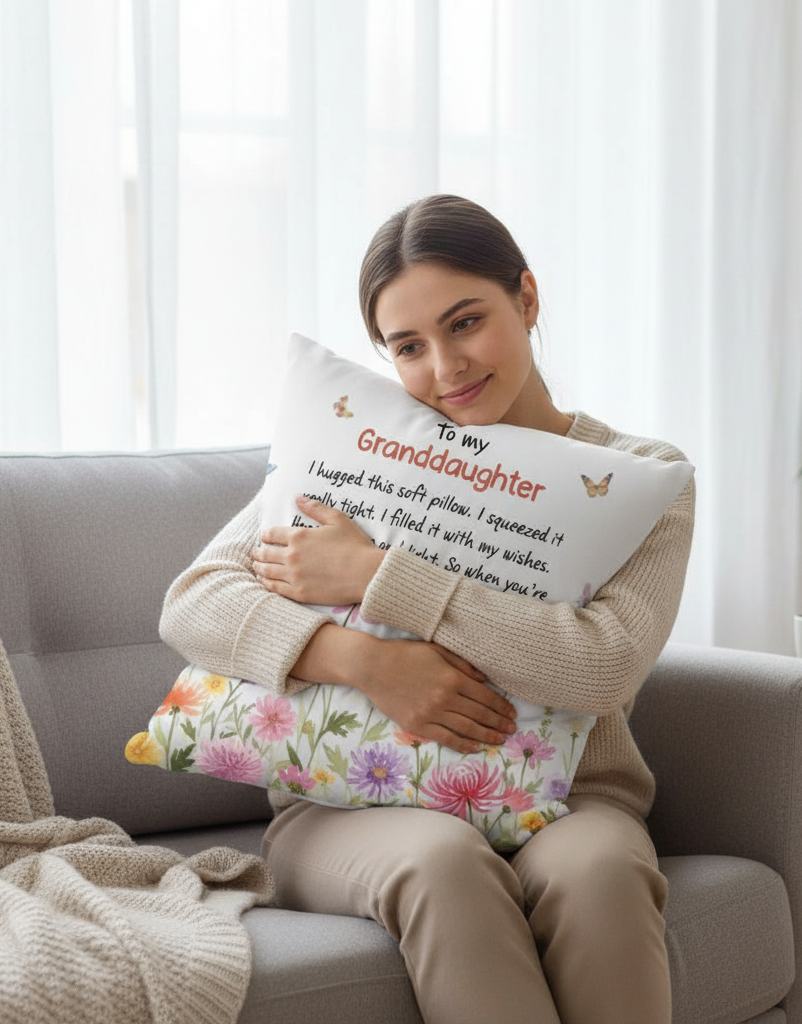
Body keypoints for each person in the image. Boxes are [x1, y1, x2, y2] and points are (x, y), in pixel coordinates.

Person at [160, 194, 695, 1024]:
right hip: (348, 804)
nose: (444, 368)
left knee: (601, 875)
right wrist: (371, 662)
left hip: (571, 800)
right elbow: (195, 603)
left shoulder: (637, 474)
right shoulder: (365, 447)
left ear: (527, 298)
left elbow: (601, 663)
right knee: (445, 862)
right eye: (409, 346)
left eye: (466, 322)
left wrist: (378, 572)